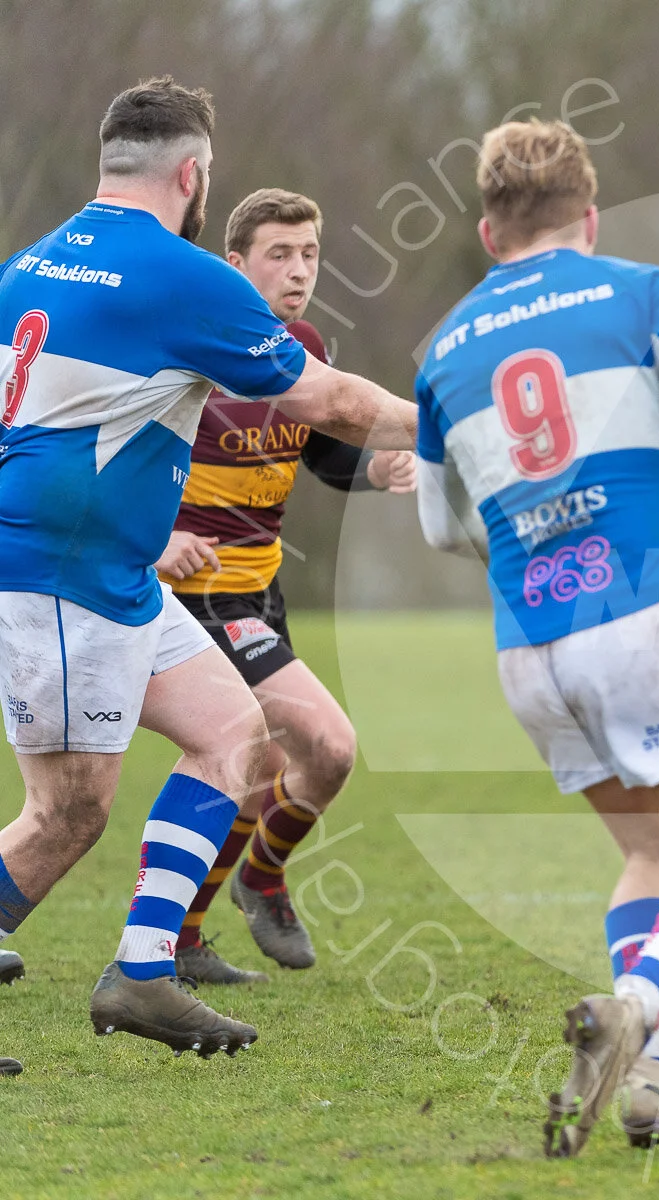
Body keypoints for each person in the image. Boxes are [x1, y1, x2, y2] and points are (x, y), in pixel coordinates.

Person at [0, 77, 416, 1074]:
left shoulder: (31, 264)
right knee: (67, 815)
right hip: (66, 577)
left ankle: (144, 970)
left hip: (108, 577)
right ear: (193, 175)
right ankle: (143, 964)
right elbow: (326, 398)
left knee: (236, 734)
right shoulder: (182, 277)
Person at [415, 119, 659, 1157]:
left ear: (490, 234)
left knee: (655, 851)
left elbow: (444, 527)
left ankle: (657, 1086)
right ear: (589, 217)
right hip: (640, 611)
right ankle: (635, 1013)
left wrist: (533, 540)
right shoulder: (639, 290)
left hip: (529, 643)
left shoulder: (444, 348)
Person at [155, 188, 416, 985]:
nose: (298, 270)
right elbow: (117, 455)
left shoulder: (301, 344)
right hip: (191, 597)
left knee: (270, 762)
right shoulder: (185, 345)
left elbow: (323, 454)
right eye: (279, 253)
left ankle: (201, 923)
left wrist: (374, 469)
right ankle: (245, 890)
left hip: (258, 595)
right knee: (318, 747)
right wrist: (160, 537)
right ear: (234, 263)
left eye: (308, 253)